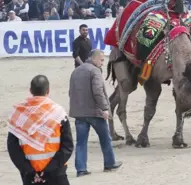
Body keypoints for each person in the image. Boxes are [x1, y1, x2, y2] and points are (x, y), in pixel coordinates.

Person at [7, 75, 74, 185]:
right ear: (48, 91)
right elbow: (67, 146)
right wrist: (49, 169)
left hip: (30, 175)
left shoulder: (18, 115)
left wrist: (28, 170)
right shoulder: (59, 113)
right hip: (56, 173)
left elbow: (13, 148)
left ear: (30, 91)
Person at [69, 49, 122, 177]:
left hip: (79, 113)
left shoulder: (76, 71)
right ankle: (109, 163)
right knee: (105, 139)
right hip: (94, 112)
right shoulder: (94, 71)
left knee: (81, 142)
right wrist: (104, 108)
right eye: (102, 60)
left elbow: (71, 92)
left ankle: (81, 169)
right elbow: (98, 92)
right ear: (94, 59)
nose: (103, 63)